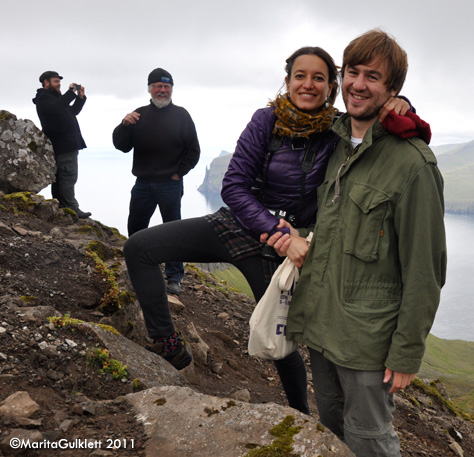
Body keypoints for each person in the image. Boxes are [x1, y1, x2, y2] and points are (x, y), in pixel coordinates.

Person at [123, 46, 423, 415]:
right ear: (287, 81)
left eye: (318, 78)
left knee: (280, 342)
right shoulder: (266, 120)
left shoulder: (339, 129)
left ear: (331, 86)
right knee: (139, 248)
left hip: (282, 248)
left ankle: (300, 417)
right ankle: (167, 343)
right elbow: (233, 184)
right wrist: (270, 227)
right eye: (300, 76)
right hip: (245, 226)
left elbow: (382, 124)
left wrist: (402, 101)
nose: (308, 84)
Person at [268, 30, 447, 457]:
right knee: (331, 426)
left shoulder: (413, 165)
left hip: (368, 340)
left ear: (393, 90)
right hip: (323, 325)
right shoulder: (333, 142)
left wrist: (406, 353)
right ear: (340, 77)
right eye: (352, 72)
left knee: (369, 439)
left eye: (373, 76)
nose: (358, 84)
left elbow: (426, 268)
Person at [113, 68, 201, 295]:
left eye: (166, 86)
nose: (162, 90)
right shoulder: (138, 115)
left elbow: (193, 151)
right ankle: (138, 267)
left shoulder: (182, 115)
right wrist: (124, 124)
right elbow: (121, 146)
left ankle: (174, 277)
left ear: (171, 89)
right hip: (143, 184)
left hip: (170, 185)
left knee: (173, 230)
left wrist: (178, 174)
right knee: (136, 227)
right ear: (150, 89)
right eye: (158, 86)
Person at [32, 70, 90, 219]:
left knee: (62, 179)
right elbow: (57, 107)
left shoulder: (55, 99)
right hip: (63, 146)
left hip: (67, 145)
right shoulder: (44, 99)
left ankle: (61, 206)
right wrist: (70, 93)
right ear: (46, 82)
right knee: (69, 177)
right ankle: (71, 208)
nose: (59, 85)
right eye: (56, 81)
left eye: (59, 82)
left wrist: (80, 98)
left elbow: (72, 112)